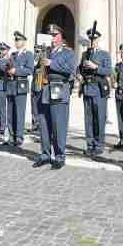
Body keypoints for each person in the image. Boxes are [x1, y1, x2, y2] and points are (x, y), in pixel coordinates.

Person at [33, 25, 75, 169]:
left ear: (61, 37)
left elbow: (70, 69)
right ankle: (45, 154)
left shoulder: (68, 52)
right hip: (44, 89)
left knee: (58, 124)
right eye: (50, 35)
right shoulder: (46, 52)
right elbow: (36, 69)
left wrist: (52, 63)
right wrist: (38, 58)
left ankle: (59, 156)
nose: (52, 38)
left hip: (58, 89)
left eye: (55, 35)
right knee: (44, 124)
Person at [78, 24, 112, 158]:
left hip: (98, 90)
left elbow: (108, 70)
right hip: (87, 88)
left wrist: (95, 67)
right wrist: (78, 74)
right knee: (88, 119)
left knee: (99, 118)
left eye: (94, 39)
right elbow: (79, 68)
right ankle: (90, 145)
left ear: (98, 40)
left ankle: (99, 145)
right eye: (90, 39)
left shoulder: (104, 54)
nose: (92, 42)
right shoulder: (84, 54)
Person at [4, 31, 34, 147]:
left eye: (19, 40)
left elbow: (29, 70)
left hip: (20, 86)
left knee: (19, 112)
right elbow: (8, 68)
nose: (16, 42)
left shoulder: (28, 54)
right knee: (10, 113)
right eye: (16, 40)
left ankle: (19, 137)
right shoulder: (12, 55)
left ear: (24, 42)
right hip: (11, 85)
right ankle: (12, 136)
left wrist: (16, 71)